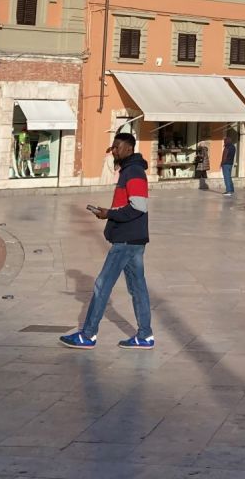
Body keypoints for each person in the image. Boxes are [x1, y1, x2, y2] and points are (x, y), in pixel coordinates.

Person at [61, 133, 154, 351]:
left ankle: (88, 334)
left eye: (117, 147)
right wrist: (109, 214)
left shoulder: (134, 171)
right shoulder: (129, 170)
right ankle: (145, 335)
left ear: (129, 149)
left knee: (103, 284)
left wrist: (109, 214)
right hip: (133, 238)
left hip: (126, 240)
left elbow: (139, 206)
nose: (114, 151)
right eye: (112, 148)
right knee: (138, 287)